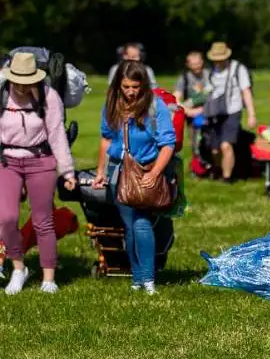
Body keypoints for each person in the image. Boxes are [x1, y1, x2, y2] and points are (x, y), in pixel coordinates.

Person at [93, 60, 176, 294]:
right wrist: (101, 171)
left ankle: (148, 279)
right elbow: (106, 138)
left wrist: (154, 173)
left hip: (146, 169)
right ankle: (137, 278)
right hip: (118, 172)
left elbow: (167, 143)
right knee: (129, 227)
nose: (130, 92)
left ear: (144, 85)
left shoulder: (154, 106)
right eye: (126, 86)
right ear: (119, 84)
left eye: (135, 87)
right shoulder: (111, 105)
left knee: (141, 224)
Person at [0, 53, 76, 294]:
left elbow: (56, 134)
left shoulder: (49, 96)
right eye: (18, 80)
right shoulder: (2, 93)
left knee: (43, 220)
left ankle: (48, 278)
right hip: (8, 161)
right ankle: (19, 268)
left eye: (27, 80)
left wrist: (67, 171)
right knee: (7, 219)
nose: (22, 86)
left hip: (41, 160)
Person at [204, 42, 256, 183]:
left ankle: (227, 177)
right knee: (215, 149)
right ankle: (218, 169)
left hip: (233, 111)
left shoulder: (238, 69)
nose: (218, 61)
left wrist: (251, 114)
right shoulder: (211, 71)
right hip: (214, 113)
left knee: (226, 145)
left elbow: (246, 91)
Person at [174, 51, 211, 154]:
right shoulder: (184, 78)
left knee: (212, 142)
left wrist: (204, 109)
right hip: (192, 116)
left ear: (202, 62)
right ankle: (198, 165)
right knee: (195, 143)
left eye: (198, 64)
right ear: (188, 65)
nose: (196, 67)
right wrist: (189, 111)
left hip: (210, 112)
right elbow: (175, 99)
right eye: (193, 65)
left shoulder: (210, 75)